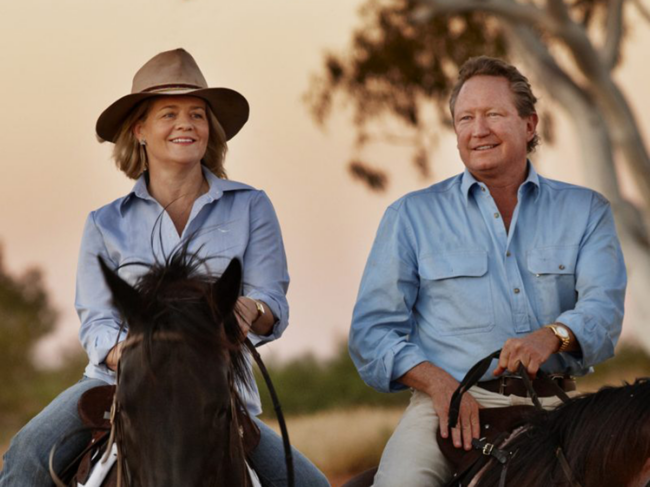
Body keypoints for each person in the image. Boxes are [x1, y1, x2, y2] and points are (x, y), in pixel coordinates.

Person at [0, 48, 330, 487]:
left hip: (215, 390)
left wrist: (253, 309)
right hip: (118, 386)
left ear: (209, 128)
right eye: (169, 114)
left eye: (197, 113)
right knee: (24, 460)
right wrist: (133, 355)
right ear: (139, 130)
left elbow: (273, 302)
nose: (185, 124)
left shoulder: (252, 206)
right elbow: (97, 322)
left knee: (314, 486)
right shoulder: (105, 223)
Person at [348, 56, 626, 487]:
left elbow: (603, 311)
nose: (479, 130)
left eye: (494, 114)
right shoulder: (410, 216)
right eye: (466, 118)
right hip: (445, 411)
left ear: (529, 125)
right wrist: (439, 386)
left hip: (558, 407)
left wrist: (552, 335)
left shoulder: (586, 211)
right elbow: (372, 335)